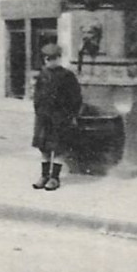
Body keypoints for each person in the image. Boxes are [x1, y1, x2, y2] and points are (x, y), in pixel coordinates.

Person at [31, 43, 83, 191]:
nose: (51, 61)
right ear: (44, 59)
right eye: (48, 58)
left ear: (59, 58)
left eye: (54, 58)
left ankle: (54, 178)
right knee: (44, 148)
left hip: (60, 117)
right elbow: (37, 96)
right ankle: (44, 176)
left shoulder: (67, 76)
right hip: (43, 117)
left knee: (58, 148)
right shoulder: (42, 75)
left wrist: (71, 114)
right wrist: (39, 111)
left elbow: (76, 98)